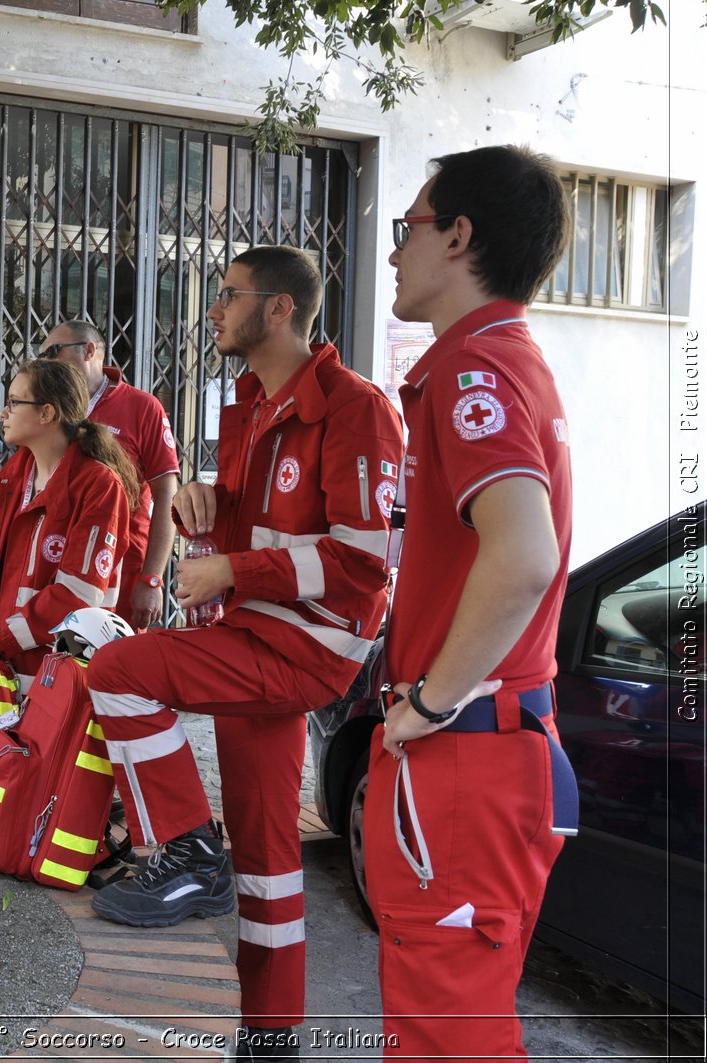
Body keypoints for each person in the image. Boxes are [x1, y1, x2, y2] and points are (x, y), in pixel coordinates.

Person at [83, 247, 404, 1060]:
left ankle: (188, 848)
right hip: (255, 632)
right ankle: (270, 1038)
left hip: (302, 648)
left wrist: (232, 565)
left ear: (281, 309)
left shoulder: (355, 407)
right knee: (269, 858)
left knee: (118, 670)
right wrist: (207, 512)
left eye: (227, 295)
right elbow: (262, 531)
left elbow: (363, 560)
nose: (214, 310)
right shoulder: (252, 403)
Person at [367, 146, 575, 1060]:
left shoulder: (472, 369)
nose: (394, 253)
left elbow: (526, 555)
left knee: (446, 1036)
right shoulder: (503, 359)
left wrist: (427, 701)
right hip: (493, 747)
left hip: (466, 752)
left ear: (458, 236)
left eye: (408, 227)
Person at [0, 359, 135, 694]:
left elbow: (78, 594)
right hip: (2, 666)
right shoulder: (11, 477)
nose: (3, 412)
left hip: (59, 672)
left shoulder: (99, 485)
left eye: (14, 402)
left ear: (47, 413)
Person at [37, 320, 179, 629]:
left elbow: (168, 497)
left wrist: (152, 579)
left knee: (111, 666)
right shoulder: (47, 409)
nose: (45, 362)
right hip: (54, 561)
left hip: (121, 569)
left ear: (88, 351)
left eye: (54, 352)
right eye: (42, 355)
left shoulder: (142, 408)